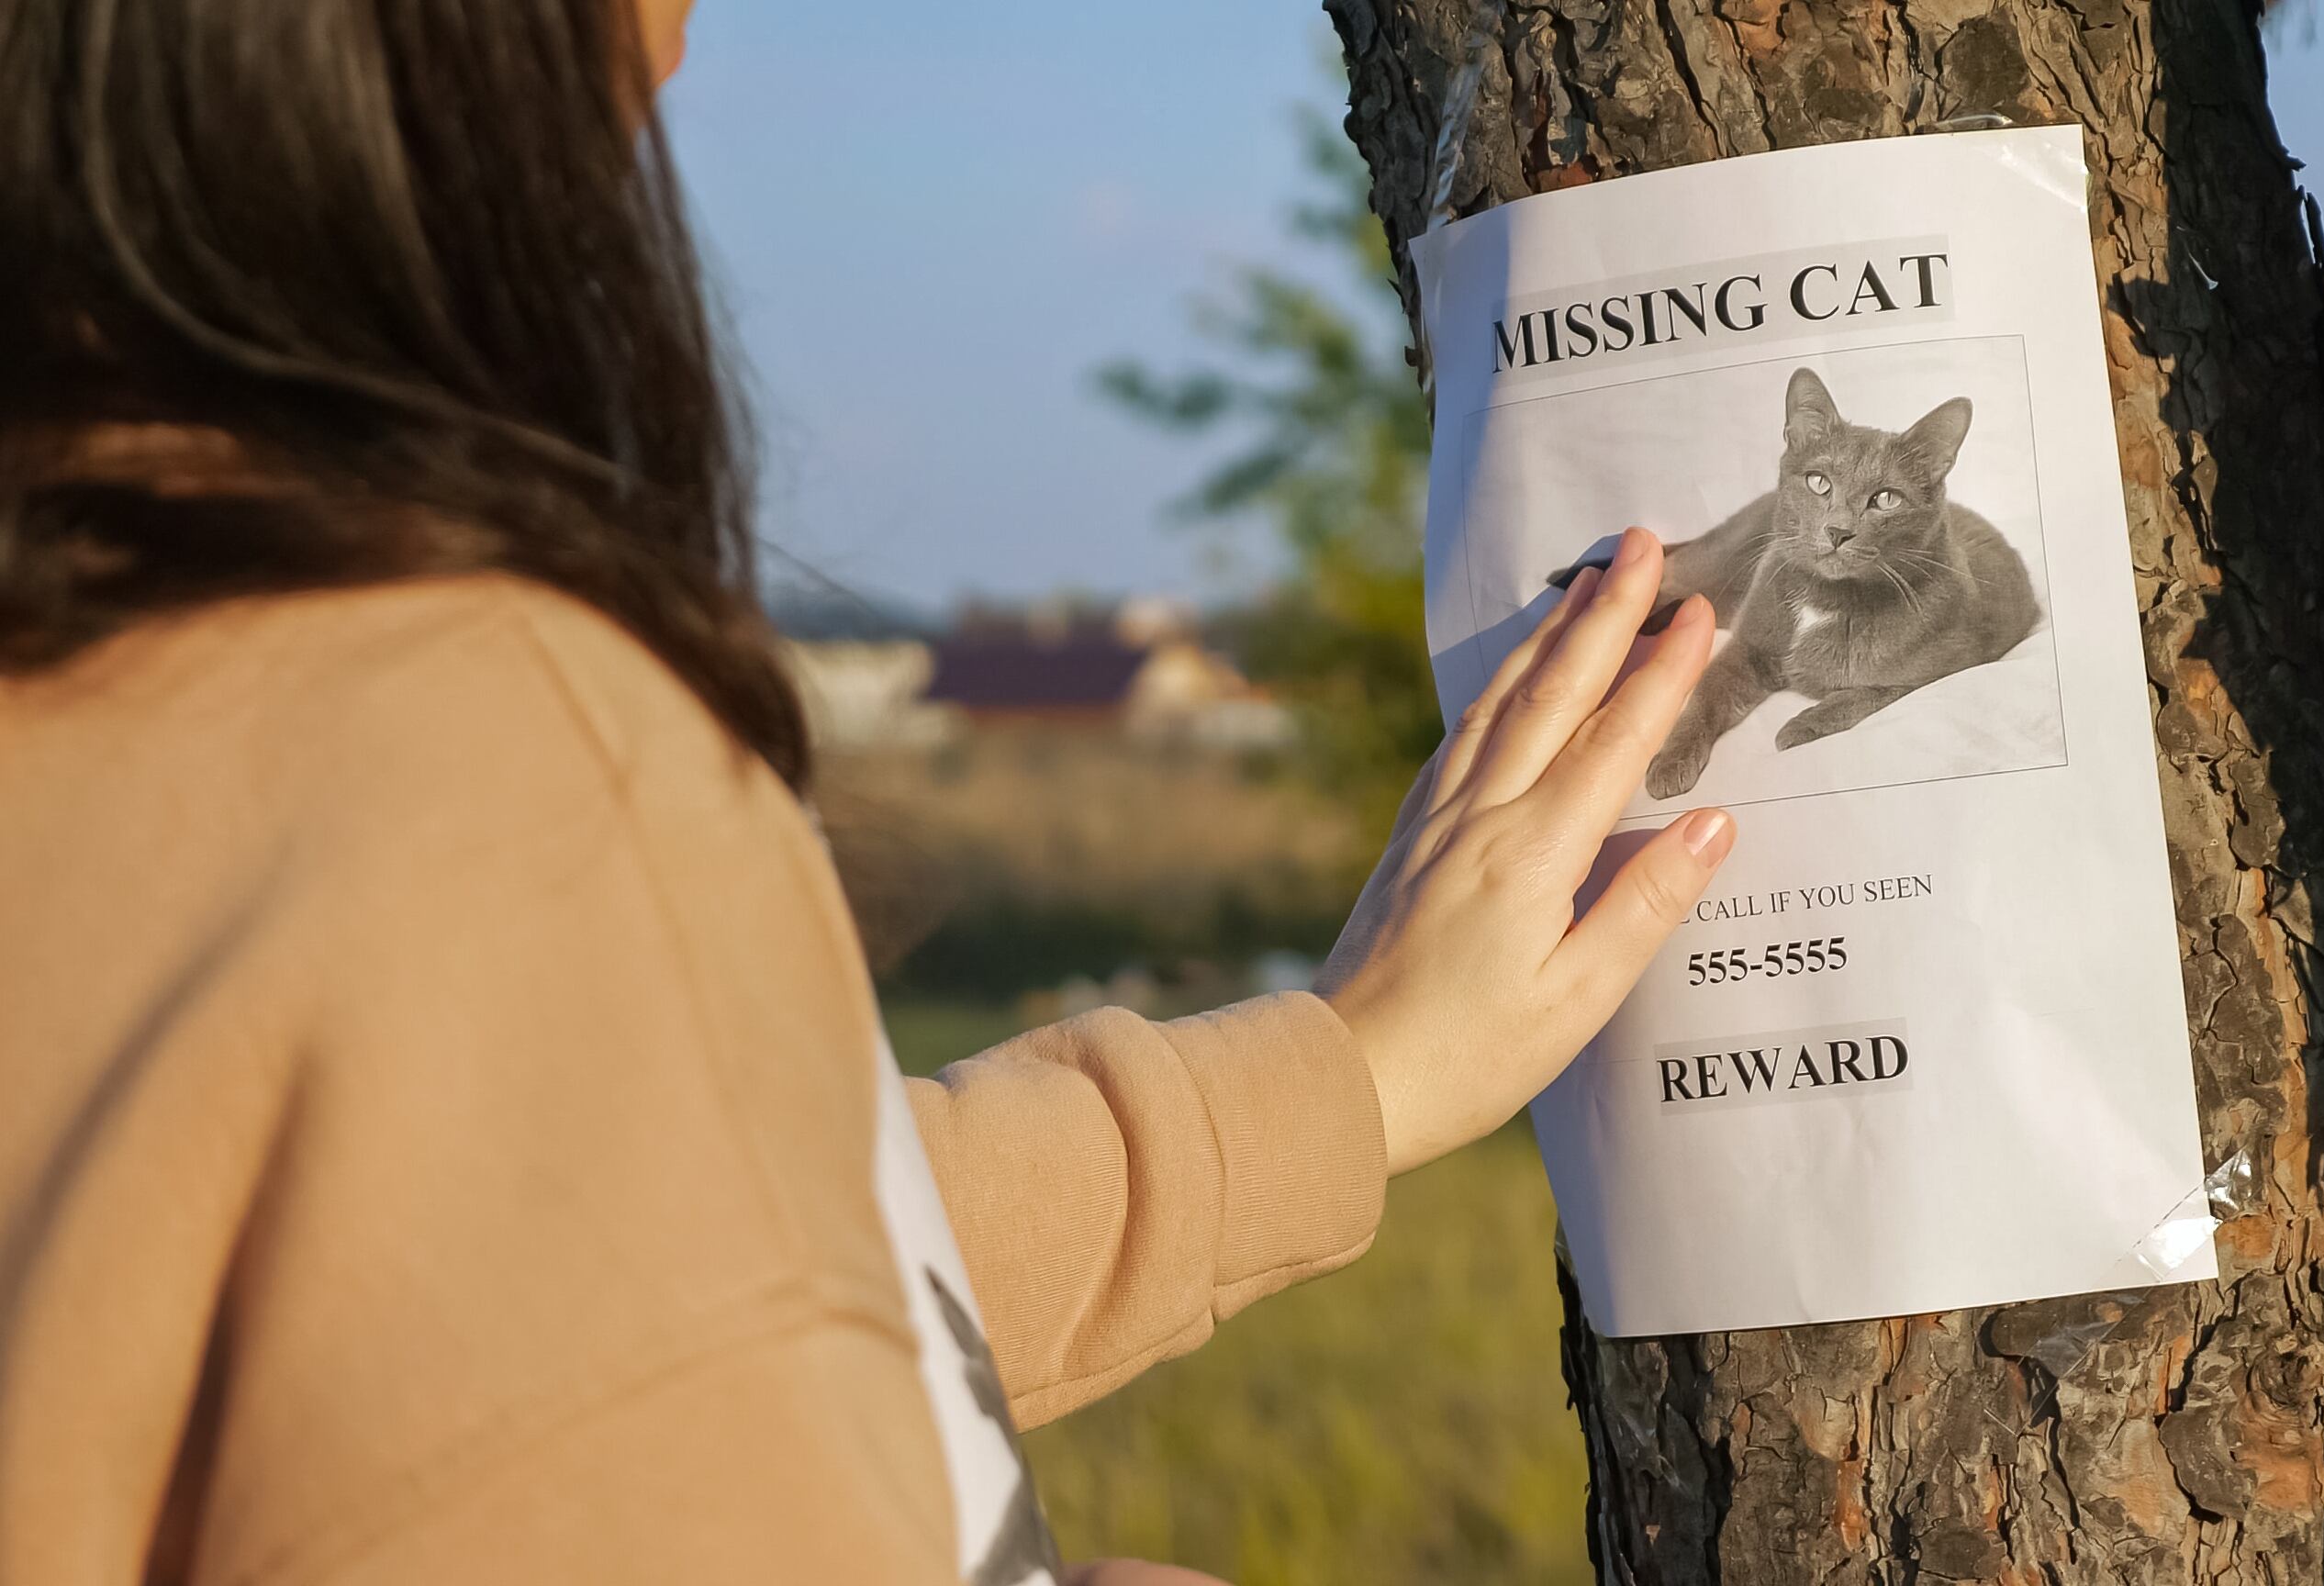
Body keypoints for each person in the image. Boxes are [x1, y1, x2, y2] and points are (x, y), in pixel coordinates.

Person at [0, 3, 1735, 1583]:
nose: (675, 42)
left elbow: (657, 1262)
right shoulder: (478, 759)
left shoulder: (118, 695)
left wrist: (1343, 1078)